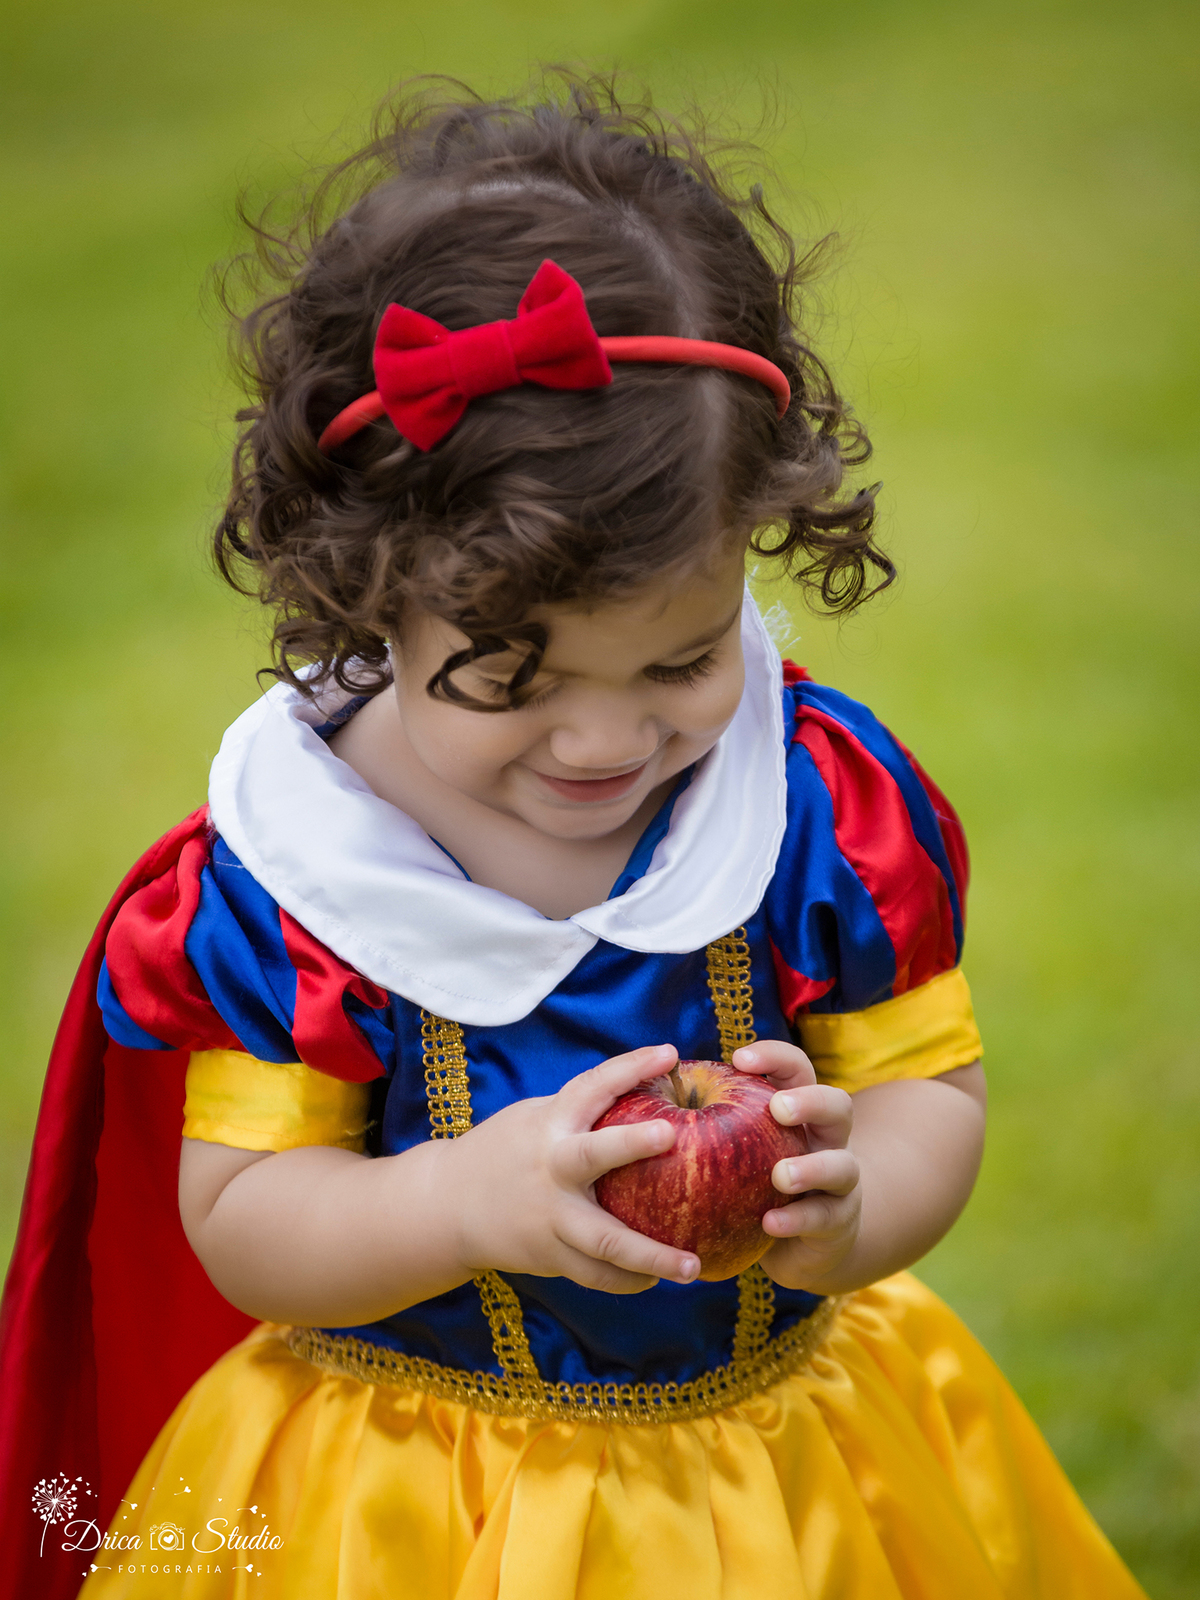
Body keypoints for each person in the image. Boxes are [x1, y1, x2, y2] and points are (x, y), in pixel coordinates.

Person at [0, 77, 1147, 1600]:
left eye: (681, 661)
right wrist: (461, 1202)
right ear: (370, 595)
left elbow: (928, 1089)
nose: (606, 742)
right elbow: (242, 1218)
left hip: (784, 1472)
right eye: (514, 679)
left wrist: (859, 1199)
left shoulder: (810, 807)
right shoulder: (308, 881)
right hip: (405, 1501)